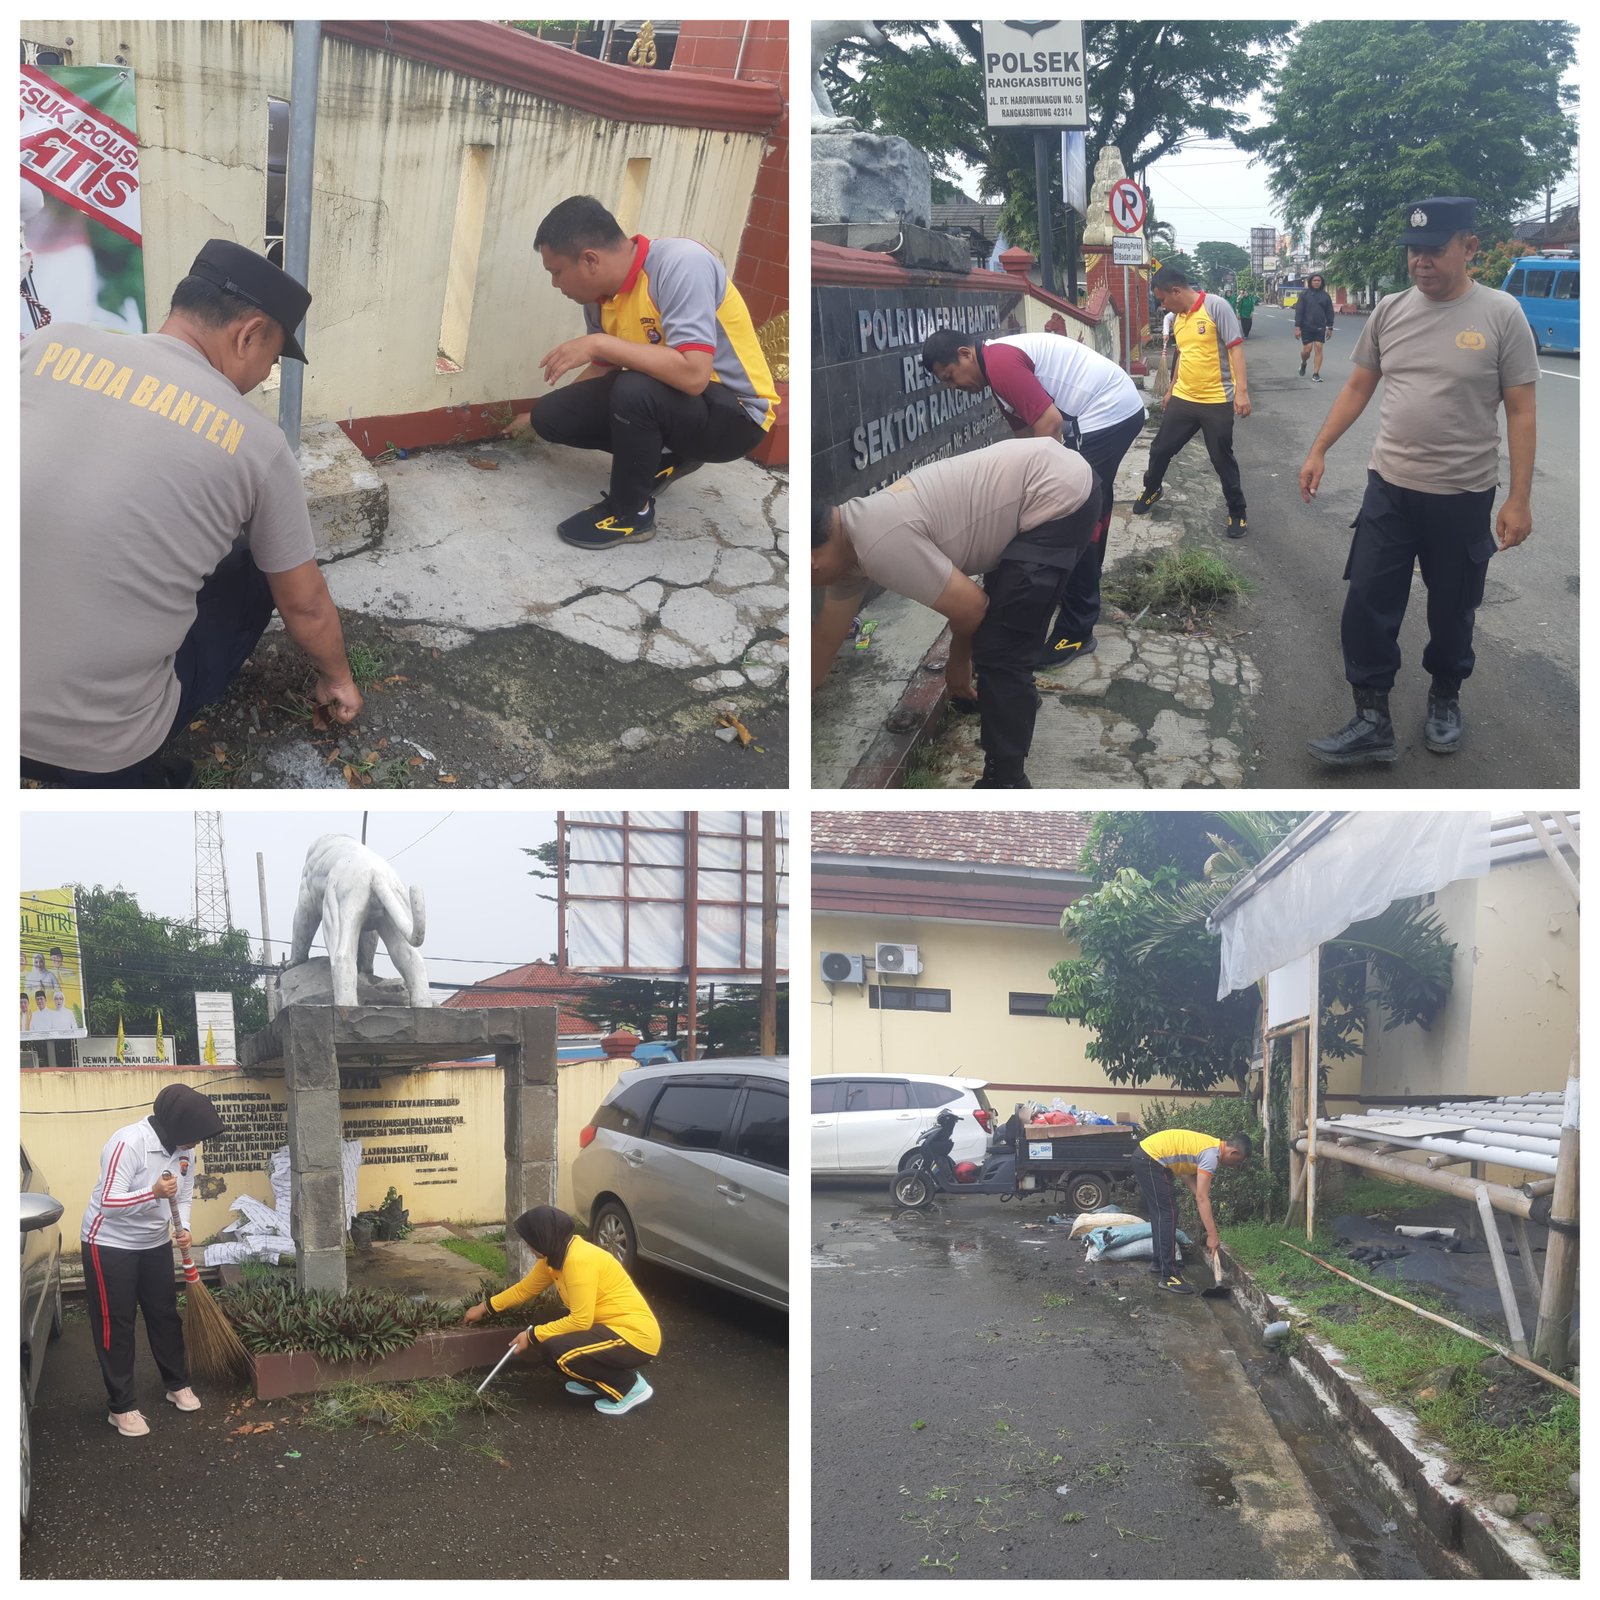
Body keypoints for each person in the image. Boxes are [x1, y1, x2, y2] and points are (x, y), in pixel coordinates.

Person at [21, 239, 363, 788]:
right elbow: (305, 603)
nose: (265, 373)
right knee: (256, 564)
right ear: (248, 334)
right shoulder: (257, 443)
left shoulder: (45, 345)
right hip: (102, 750)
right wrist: (339, 677)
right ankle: (136, 775)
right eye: (272, 357)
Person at [1300, 196, 1538, 764]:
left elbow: (1522, 410)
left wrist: (1519, 499)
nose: (1421, 261)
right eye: (1413, 251)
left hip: (1462, 494)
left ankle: (1445, 698)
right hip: (1390, 486)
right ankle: (1371, 718)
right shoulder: (1390, 311)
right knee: (1367, 600)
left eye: (1434, 249)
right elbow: (1359, 386)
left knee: (1452, 607)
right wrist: (1320, 448)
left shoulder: (1501, 314)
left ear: (1469, 247)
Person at [812, 436, 1101, 789]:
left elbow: (971, 608)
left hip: (1058, 496)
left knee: (1001, 646)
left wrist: (957, 664)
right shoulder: (847, 548)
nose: (813, 582)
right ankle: (1014, 705)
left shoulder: (876, 542)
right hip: (1042, 481)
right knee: (1004, 623)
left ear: (813, 562)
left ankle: (1006, 781)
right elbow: (825, 640)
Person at [526, 196, 780, 552]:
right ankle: (668, 457)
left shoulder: (680, 264)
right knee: (551, 417)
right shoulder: (600, 296)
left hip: (737, 415)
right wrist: (537, 413)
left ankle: (631, 512)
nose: (556, 283)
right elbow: (604, 367)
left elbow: (694, 375)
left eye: (556, 272)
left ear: (590, 260)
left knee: (635, 390)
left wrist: (600, 344)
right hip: (679, 406)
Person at [921, 329, 1146, 669]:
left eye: (951, 377)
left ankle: (1077, 629)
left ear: (965, 354)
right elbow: (1026, 441)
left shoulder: (1000, 363)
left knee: (1072, 514)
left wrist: (1047, 494)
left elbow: (1049, 426)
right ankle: (1078, 592)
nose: (954, 387)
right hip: (1110, 410)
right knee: (1088, 509)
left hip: (1107, 411)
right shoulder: (996, 376)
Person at [81, 1084, 226, 1436]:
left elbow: (186, 1192)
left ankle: (176, 1383)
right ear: (176, 1125)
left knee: (164, 1314)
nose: (195, 1144)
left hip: (153, 1243)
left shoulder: (183, 1150)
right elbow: (109, 1205)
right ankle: (121, 1406)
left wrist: (185, 1227)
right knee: (117, 1323)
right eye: (193, 1136)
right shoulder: (128, 1143)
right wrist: (153, 1193)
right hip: (109, 1243)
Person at [463, 1205, 661, 1416]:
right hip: (608, 1329)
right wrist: (484, 1308)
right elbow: (525, 1290)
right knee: (554, 1336)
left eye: (531, 1240)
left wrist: (531, 1335)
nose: (529, 1246)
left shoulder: (578, 1260)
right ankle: (596, 1379)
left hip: (634, 1337)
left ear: (544, 1237)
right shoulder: (555, 1256)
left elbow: (580, 1321)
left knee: (556, 1351)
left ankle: (629, 1387)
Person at [1135, 265, 1251, 537]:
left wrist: (1242, 392)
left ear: (1176, 291)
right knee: (1160, 449)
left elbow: (1235, 348)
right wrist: (1171, 390)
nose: (1163, 306)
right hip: (1184, 398)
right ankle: (1152, 490)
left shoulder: (1216, 307)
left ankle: (1238, 512)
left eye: (1163, 299)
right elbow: (1182, 355)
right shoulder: (1178, 319)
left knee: (1222, 460)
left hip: (1217, 400)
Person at [1134, 1128, 1253, 1295]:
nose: (1235, 1166)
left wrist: (1202, 1202)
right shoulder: (1211, 1155)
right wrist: (1212, 1235)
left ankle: (1159, 1262)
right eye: (1237, 1162)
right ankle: (1169, 1276)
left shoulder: (1209, 1147)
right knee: (1168, 1213)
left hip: (1146, 1157)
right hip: (1150, 1159)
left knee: (1162, 1213)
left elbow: (1186, 1175)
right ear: (1233, 1153)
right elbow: (1202, 1197)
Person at [1295, 272, 1336, 382]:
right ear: (1310, 282)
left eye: (1319, 280)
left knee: (1319, 347)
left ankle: (1316, 373)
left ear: (1321, 282)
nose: (1317, 282)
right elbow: (1299, 311)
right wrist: (1298, 328)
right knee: (1307, 350)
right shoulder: (1304, 295)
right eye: (1314, 280)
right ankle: (1303, 363)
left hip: (1320, 327)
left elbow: (1329, 312)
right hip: (1306, 326)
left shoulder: (1325, 296)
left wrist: (1330, 327)